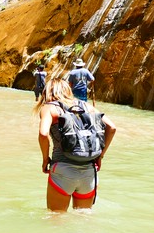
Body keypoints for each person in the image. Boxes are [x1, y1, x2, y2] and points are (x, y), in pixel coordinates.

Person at [36, 78, 116, 212]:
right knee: (83, 219)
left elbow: (43, 134)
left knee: (56, 219)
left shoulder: (49, 107)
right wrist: (100, 156)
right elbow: (112, 128)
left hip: (62, 170)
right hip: (89, 171)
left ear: (47, 91)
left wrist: (45, 159)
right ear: (68, 90)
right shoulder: (86, 106)